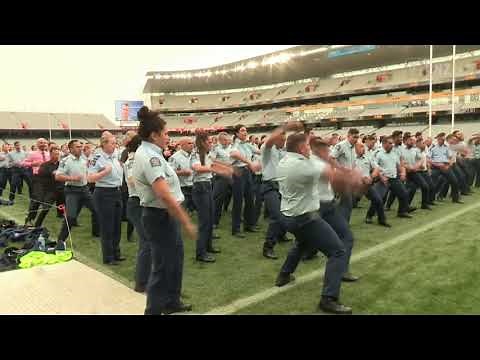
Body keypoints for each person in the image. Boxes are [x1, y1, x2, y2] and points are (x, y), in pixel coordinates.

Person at [274, 133, 360, 314]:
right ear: (301, 148)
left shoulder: (285, 160)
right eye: (307, 146)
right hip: (305, 217)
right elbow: (334, 178)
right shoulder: (304, 166)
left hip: (291, 216)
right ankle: (328, 299)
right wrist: (353, 177)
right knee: (337, 251)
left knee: (303, 242)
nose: (309, 148)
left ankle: (284, 275)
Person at [133, 106, 197, 315]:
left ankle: (171, 301)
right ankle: (153, 310)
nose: (168, 137)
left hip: (165, 215)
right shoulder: (148, 156)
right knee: (162, 266)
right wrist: (186, 220)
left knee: (175, 260)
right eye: (166, 133)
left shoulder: (154, 153)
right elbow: (163, 194)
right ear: (154, 135)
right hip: (159, 216)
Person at [191, 132, 233, 263]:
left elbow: (213, 164)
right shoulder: (196, 154)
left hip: (207, 185)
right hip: (200, 187)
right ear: (203, 142)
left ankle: (208, 246)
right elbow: (197, 168)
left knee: (209, 219)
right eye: (209, 141)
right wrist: (216, 170)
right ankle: (200, 253)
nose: (211, 143)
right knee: (204, 222)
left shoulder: (207, 154)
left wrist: (225, 169)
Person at [260, 122, 299, 260]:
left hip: (282, 186)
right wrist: (284, 128)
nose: (284, 141)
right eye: (282, 139)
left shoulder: (283, 152)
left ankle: (281, 235)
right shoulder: (267, 149)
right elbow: (270, 140)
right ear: (276, 138)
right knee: (277, 216)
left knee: (286, 213)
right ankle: (268, 247)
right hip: (269, 186)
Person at [55, 140, 100, 250]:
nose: (80, 148)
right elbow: (58, 176)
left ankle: (96, 233)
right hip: (72, 191)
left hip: (84, 190)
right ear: (70, 149)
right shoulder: (66, 161)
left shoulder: (84, 159)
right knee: (70, 217)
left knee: (97, 210)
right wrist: (72, 178)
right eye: (77, 147)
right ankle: (61, 240)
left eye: (81, 146)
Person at [87, 134, 124, 264]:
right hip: (104, 193)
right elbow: (90, 178)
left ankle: (116, 252)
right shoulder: (97, 157)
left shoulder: (114, 156)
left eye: (115, 143)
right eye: (112, 143)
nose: (115, 145)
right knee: (107, 227)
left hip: (116, 192)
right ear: (104, 144)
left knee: (117, 226)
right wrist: (104, 172)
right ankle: (108, 257)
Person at [124, 134, 151, 293]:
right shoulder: (133, 160)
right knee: (146, 242)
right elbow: (132, 180)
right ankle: (141, 282)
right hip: (136, 203)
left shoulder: (138, 159)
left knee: (146, 242)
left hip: (142, 203)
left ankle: (145, 278)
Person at [229, 124, 261, 238]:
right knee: (238, 201)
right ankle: (236, 229)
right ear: (236, 133)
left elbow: (259, 152)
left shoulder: (247, 145)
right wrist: (249, 162)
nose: (245, 132)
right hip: (238, 172)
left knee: (249, 199)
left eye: (246, 130)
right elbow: (234, 153)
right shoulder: (235, 144)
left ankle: (249, 225)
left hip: (247, 172)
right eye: (242, 130)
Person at [353, 142, 390, 227]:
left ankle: (381, 220)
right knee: (347, 206)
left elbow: (376, 168)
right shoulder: (352, 159)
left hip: (367, 185)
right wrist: (361, 178)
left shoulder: (368, 158)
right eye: (361, 147)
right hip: (355, 185)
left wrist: (371, 177)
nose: (363, 148)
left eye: (363, 147)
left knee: (378, 200)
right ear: (355, 149)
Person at [374, 136, 412, 218]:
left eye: (392, 143)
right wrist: (381, 177)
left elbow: (399, 165)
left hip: (393, 178)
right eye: (390, 143)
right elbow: (374, 167)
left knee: (404, 194)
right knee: (379, 198)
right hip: (383, 179)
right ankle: (370, 216)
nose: (392, 145)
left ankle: (402, 212)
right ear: (384, 144)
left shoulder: (394, 154)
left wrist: (402, 173)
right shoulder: (378, 154)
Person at [26, 145, 61, 227]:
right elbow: (42, 173)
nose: (57, 156)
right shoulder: (45, 165)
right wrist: (53, 173)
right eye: (55, 154)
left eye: (58, 154)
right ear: (51, 155)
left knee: (48, 207)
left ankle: (37, 224)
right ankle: (30, 220)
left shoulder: (61, 164)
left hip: (56, 188)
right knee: (38, 204)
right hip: (43, 187)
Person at [330, 128, 360, 223]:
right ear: (348, 136)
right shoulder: (341, 146)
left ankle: (340, 222)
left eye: (357, 137)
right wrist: (341, 168)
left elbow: (352, 163)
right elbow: (331, 158)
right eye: (354, 137)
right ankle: (343, 223)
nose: (356, 139)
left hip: (349, 178)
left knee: (344, 203)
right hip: (341, 178)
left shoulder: (353, 147)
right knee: (347, 203)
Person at [22, 138, 51, 226]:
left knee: (47, 201)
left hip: (49, 179)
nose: (43, 144)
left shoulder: (48, 154)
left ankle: (38, 223)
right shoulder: (32, 154)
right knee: (37, 199)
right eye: (41, 142)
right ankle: (29, 219)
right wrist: (32, 164)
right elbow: (23, 163)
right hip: (37, 178)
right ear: (37, 144)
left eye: (44, 143)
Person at [428, 132, 462, 204]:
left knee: (454, 181)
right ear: (438, 139)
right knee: (433, 184)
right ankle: (430, 200)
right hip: (436, 167)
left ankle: (455, 199)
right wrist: (436, 165)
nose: (442, 141)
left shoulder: (447, 147)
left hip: (445, 166)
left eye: (443, 139)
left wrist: (448, 166)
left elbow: (450, 158)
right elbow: (428, 159)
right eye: (440, 139)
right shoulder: (433, 148)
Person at [402, 133, 432, 210]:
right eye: (410, 140)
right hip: (405, 172)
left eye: (412, 140)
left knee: (425, 186)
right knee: (410, 190)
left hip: (414, 172)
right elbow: (400, 162)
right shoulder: (401, 150)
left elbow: (421, 159)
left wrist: (416, 166)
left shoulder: (415, 150)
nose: (412, 141)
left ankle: (424, 204)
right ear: (405, 141)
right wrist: (407, 167)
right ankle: (405, 206)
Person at [211, 132, 233, 228]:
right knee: (218, 200)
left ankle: (236, 219)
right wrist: (225, 164)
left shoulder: (230, 148)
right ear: (220, 140)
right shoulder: (215, 148)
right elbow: (211, 160)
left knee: (232, 196)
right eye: (224, 139)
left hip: (231, 175)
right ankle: (214, 221)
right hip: (220, 176)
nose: (226, 141)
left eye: (227, 139)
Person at [168, 137, 195, 213]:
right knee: (182, 210)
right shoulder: (175, 157)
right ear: (182, 145)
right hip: (183, 188)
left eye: (192, 143)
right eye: (189, 143)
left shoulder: (194, 155)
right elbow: (170, 173)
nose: (192, 145)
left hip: (194, 186)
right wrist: (181, 172)